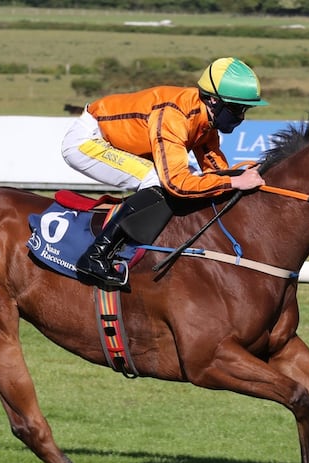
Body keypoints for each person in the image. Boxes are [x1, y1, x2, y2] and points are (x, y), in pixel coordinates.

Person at [61, 57, 268, 289]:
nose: (240, 117)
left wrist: (243, 175)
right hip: (88, 140)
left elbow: (217, 171)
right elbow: (176, 183)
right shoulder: (174, 115)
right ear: (212, 100)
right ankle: (96, 256)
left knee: (190, 178)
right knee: (157, 179)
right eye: (235, 109)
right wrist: (234, 182)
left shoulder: (206, 122)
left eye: (244, 110)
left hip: (121, 142)